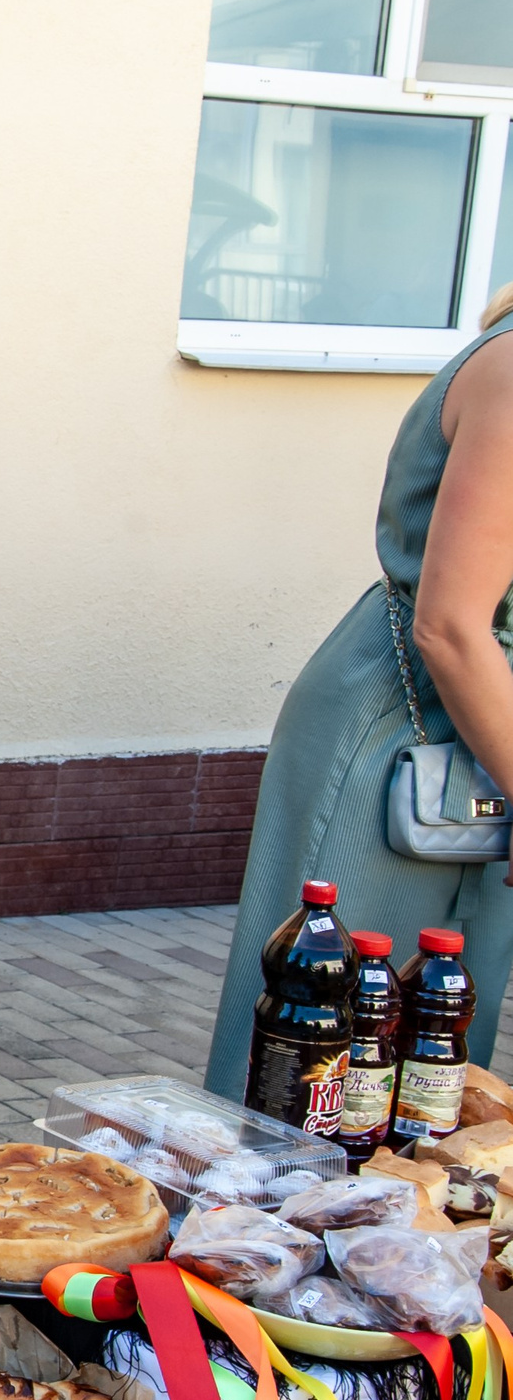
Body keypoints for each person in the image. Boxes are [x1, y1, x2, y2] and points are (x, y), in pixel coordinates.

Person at [206, 284, 513, 1091]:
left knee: (429, 1076)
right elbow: (449, 624)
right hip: (408, 734)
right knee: (317, 1057)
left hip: (484, 733)